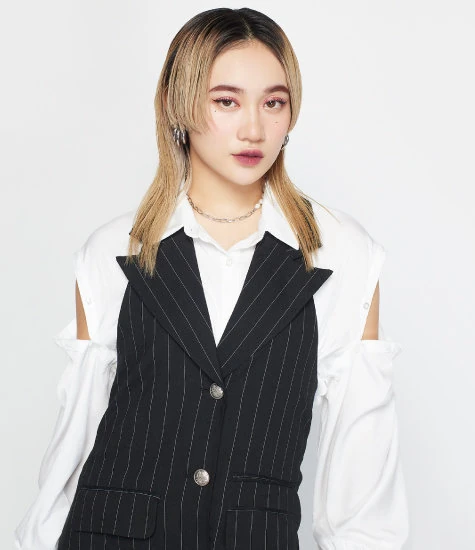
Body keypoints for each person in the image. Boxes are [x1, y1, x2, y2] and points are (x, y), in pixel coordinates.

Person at [14, 7, 409, 550]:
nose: (254, 129)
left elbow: (363, 480)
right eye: (226, 101)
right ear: (179, 105)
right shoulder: (113, 250)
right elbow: (75, 444)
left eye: (273, 103)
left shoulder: (342, 253)